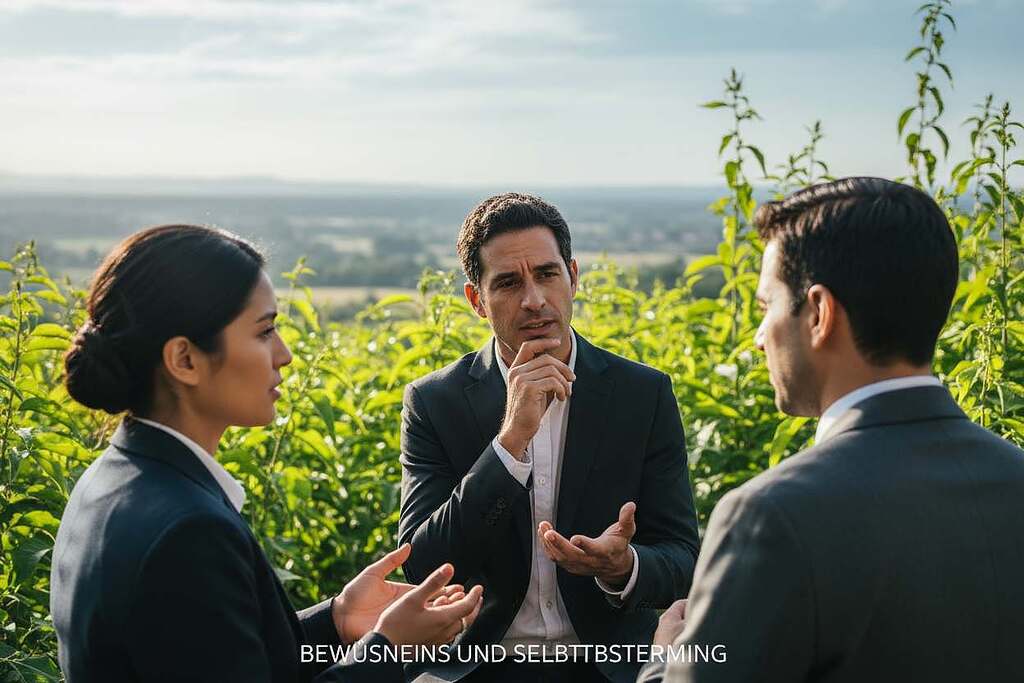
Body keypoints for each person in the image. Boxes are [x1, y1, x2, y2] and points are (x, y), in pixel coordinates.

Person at [50, 224, 483, 682]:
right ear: (185, 360)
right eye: (264, 332)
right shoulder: (189, 532)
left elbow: (216, 655)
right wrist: (388, 650)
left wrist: (337, 619)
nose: (285, 354)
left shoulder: (111, 480)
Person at [639, 177, 1024, 682]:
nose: (759, 338)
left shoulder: (770, 515)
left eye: (767, 307)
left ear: (819, 313)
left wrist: (665, 657)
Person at [399, 193, 700, 682]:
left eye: (546, 274)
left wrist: (623, 567)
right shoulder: (434, 402)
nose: (534, 300)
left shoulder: (643, 394)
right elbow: (423, 565)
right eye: (508, 282)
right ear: (476, 301)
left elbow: (683, 558)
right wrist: (510, 442)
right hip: (479, 668)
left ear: (573, 277)